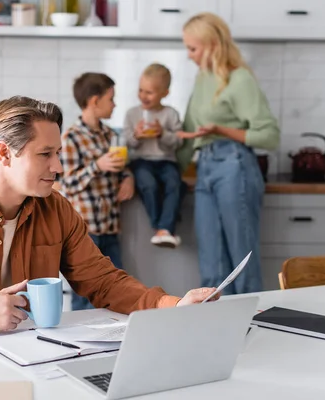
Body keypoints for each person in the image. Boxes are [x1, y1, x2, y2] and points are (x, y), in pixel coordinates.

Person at [0, 96, 219, 338]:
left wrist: (173, 304)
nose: (58, 167)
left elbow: (103, 282)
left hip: (37, 357)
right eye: (45, 155)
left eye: (58, 153)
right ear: (5, 154)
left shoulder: (56, 209)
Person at [176, 13, 280, 294]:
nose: (189, 55)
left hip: (235, 167)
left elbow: (270, 135)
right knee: (211, 263)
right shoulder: (202, 79)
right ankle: (216, 329)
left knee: (242, 261)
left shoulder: (239, 79)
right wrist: (169, 174)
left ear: (212, 45)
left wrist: (222, 129)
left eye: (192, 48)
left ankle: (251, 327)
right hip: (205, 169)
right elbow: (187, 132)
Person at [56, 72, 134, 311]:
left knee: (116, 289)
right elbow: (67, 184)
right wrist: (96, 166)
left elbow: (122, 168)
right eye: (111, 99)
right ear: (94, 101)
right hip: (85, 230)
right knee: (85, 296)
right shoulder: (70, 138)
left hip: (110, 226)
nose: (115, 104)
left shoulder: (111, 135)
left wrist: (129, 177)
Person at [124, 63, 183, 248]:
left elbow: (179, 142)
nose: (144, 96)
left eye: (150, 92)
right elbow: (126, 142)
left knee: (175, 183)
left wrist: (162, 134)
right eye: (141, 90)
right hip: (141, 161)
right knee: (147, 184)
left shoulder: (170, 114)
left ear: (165, 93)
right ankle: (161, 227)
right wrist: (136, 135)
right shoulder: (132, 114)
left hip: (166, 161)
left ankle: (164, 229)